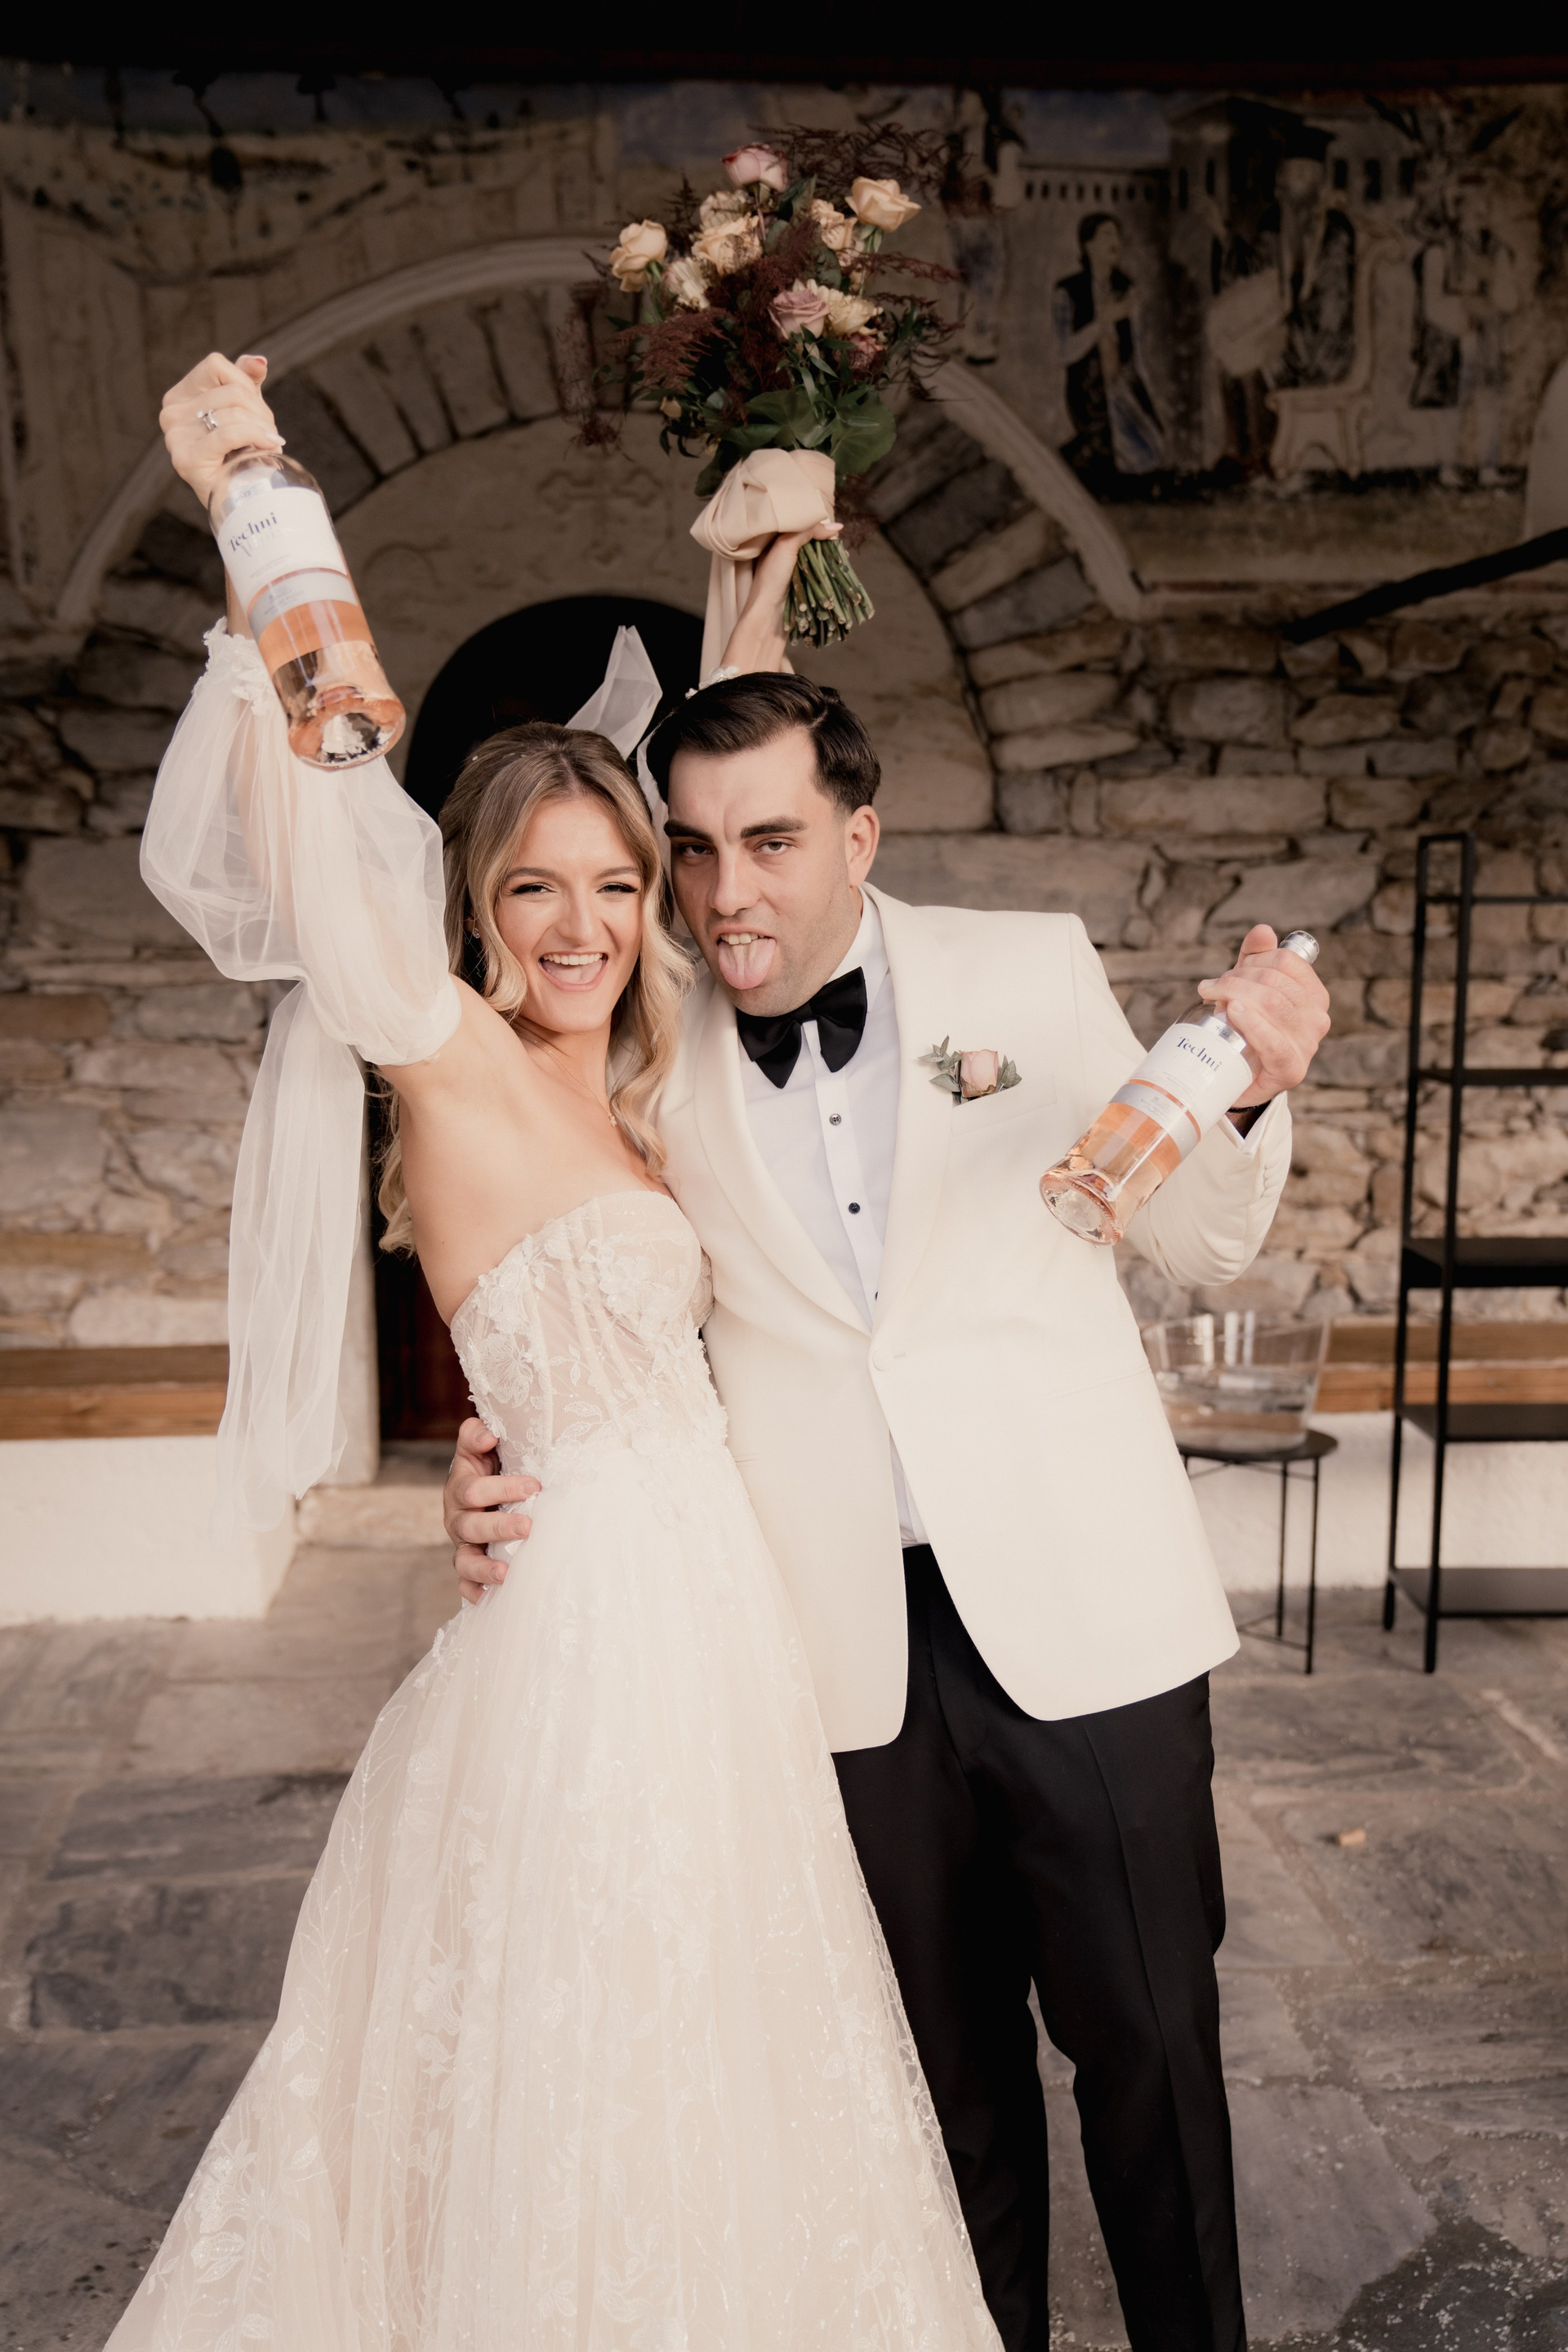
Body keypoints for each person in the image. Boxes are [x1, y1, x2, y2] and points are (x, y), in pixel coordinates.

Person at [103, 352, 1002, 2352]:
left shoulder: (647, 1086)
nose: (586, 926)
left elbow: (732, 794)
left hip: (727, 1618)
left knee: (732, 2034)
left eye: (615, 885)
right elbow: (320, 816)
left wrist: (755, 566)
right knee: (592, 2035)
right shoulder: (449, 1062)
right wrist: (252, 497)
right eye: (536, 891)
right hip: (591, 1633)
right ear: (477, 910)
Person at [446, 630, 1330, 2348]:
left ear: (859, 833)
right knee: (937, 2101)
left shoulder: (1025, 966)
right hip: (829, 1648)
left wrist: (1255, 1095)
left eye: (771, 842)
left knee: (1152, 2055)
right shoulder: (646, 1040)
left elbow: (1199, 1237)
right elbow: (573, 1288)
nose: (726, 894)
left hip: (1085, 1612)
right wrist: (486, 1462)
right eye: (692, 850)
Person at [1054, 212, 1166, 483]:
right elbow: (1066, 353)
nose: (1115, 241)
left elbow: (1136, 348)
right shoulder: (1067, 291)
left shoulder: (1126, 288)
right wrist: (1102, 323)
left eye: (1116, 235)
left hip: (1122, 387)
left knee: (1151, 451)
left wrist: (1142, 388)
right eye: (1106, 235)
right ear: (1088, 245)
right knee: (1103, 463)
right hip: (1089, 391)